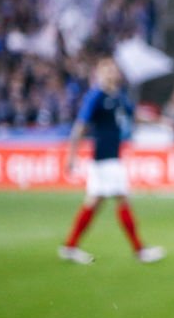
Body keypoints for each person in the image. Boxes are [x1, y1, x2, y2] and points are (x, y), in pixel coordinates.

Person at [58, 57, 165, 265]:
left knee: (95, 202)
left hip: (111, 158)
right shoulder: (96, 96)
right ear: (98, 73)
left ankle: (70, 246)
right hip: (104, 159)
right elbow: (80, 127)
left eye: (113, 69)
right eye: (106, 69)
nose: (110, 73)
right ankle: (139, 250)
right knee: (121, 199)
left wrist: (161, 121)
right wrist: (71, 156)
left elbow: (135, 114)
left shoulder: (117, 96)